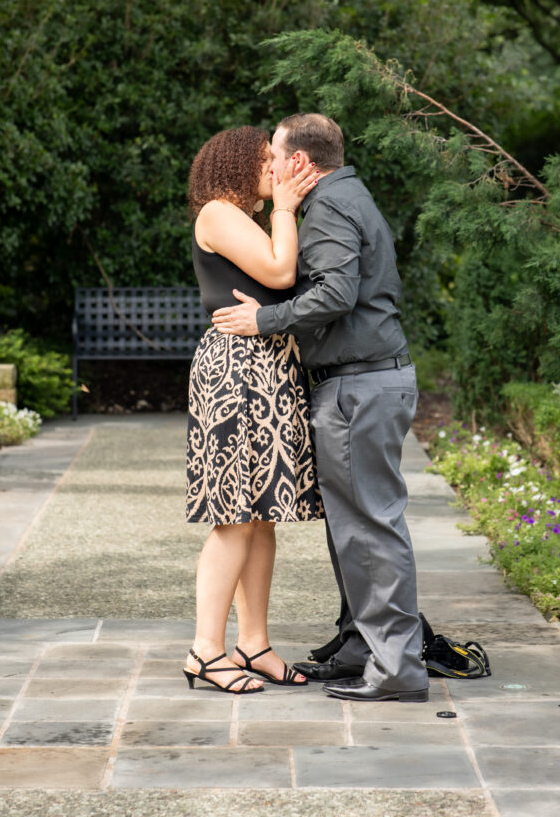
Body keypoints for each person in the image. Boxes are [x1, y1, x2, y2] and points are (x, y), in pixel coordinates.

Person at [212, 113, 429, 703]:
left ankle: (397, 671)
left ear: (301, 162)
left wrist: (265, 320)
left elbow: (336, 292)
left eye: (275, 158)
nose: (272, 169)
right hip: (360, 383)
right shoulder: (344, 195)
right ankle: (363, 645)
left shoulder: (330, 206)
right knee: (352, 528)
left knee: (370, 530)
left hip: (360, 387)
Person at [183, 125, 323, 696]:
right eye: (268, 159)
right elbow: (279, 273)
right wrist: (287, 209)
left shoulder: (243, 216)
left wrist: (280, 212)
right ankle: (205, 651)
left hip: (269, 367)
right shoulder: (218, 212)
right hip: (236, 372)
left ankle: (254, 644)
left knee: (262, 517)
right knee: (234, 518)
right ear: (240, 163)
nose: (278, 167)